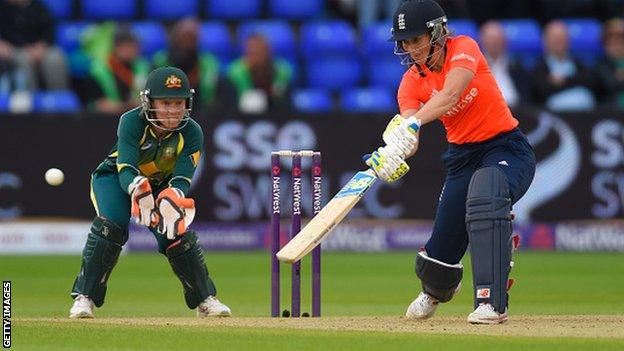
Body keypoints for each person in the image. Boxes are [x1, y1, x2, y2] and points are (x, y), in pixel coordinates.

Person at [364, 0, 535, 324]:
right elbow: (410, 135)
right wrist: (394, 150)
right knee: (438, 254)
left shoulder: (464, 48)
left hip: (506, 148)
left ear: (438, 32)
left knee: (487, 193)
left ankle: (491, 302)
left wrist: (412, 124)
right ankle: (435, 290)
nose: (411, 48)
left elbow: (451, 94)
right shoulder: (411, 83)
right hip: (462, 158)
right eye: (406, 42)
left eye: (417, 39)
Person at [69, 66, 231, 319]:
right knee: (112, 226)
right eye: (166, 103)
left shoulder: (192, 132)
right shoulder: (131, 121)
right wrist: (137, 190)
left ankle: (204, 299)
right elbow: (126, 169)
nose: (174, 111)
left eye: (179, 103)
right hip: (114, 179)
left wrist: (172, 197)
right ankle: (84, 298)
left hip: (159, 187)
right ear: (149, 101)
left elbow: (181, 178)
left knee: (176, 233)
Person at [152, 18, 221, 109]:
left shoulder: (208, 63)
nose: (187, 41)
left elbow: (217, 95)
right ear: (176, 37)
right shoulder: (161, 61)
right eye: (184, 36)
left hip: (201, 111)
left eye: (191, 37)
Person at [0, 0, 69, 90]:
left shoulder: (38, 6)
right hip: (15, 49)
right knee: (23, 60)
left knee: (55, 57)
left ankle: (59, 97)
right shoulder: (2, 8)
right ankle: (30, 98)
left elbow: (49, 30)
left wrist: (42, 46)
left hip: (40, 48)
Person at [530, 20, 596, 111]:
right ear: (544, 41)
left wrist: (564, 80)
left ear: (569, 40)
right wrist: (572, 82)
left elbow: (590, 82)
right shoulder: (537, 66)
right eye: (555, 38)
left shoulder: (579, 63)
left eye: (562, 38)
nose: (559, 42)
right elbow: (541, 90)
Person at [85, 26, 150, 114]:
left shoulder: (143, 67)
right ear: (116, 47)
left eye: (134, 46)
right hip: (106, 118)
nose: (132, 50)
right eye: (127, 46)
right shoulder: (98, 70)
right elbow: (98, 104)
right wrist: (124, 107)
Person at [225, 34, 292, 114]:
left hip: (274, 113)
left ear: (269, 51)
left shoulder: (282, 71)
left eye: (261, 50)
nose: (258, 55)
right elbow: (231, 103)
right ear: (247, 52)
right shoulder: (234, 73)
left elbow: (284, 101)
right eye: (253, 51)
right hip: (241, 114)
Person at [479, 20, 529, 107]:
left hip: (517, 112)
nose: (494, 42)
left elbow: (526, 95)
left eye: (497, 38)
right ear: (482, 41)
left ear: (505, 41)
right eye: (490, 39)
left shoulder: (516, 65)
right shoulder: (475, 67)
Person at [596, 18, 624, 108]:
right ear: (605, 44)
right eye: (611, 40)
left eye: (620, 39)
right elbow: (610, 84)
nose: (616, 44)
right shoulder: (601, 64)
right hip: (611, 114)